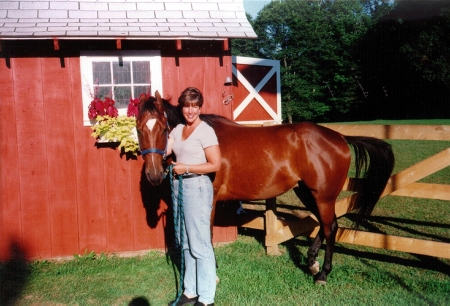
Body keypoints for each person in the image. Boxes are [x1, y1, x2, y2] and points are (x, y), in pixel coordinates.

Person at [166, 87, 221, 306]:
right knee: (185, 243)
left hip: (197, 188)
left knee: (200, 244)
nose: (191, 111)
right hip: (180, 189)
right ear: (181, 107)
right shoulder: (178, 129)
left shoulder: (205, 131)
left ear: (200, 107)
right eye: (187, 106)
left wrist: (186, 167)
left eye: (195, 106)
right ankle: (190, 291)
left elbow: (215, 164)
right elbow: (164, 150)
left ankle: (207, 297)